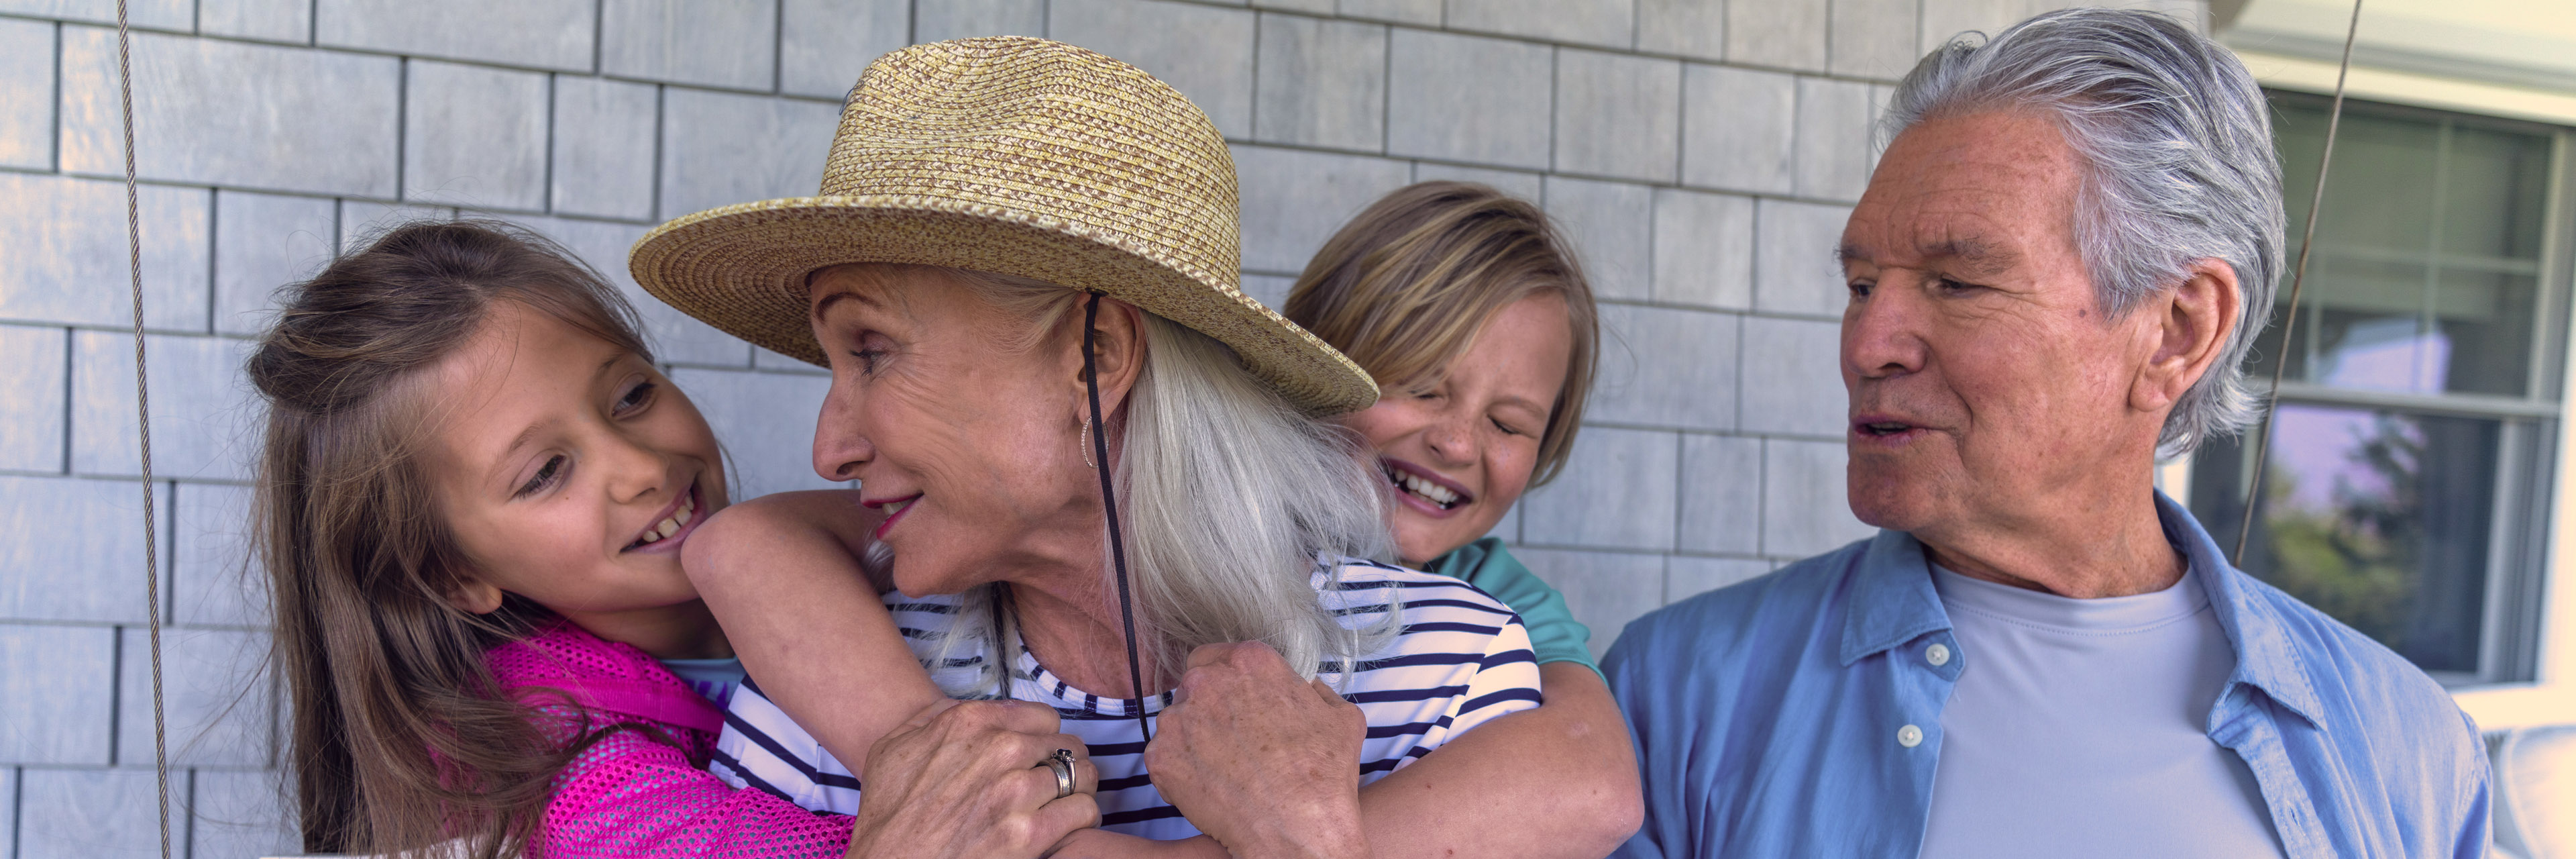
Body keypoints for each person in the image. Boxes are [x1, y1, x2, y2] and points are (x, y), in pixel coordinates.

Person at [635, 37, 1554, 858]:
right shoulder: (829, 687)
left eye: (871, 352)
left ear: (1097, 359)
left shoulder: (1449, 677)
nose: (828, 448)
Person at [1605, 9, 2488, 859]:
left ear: (2179, 330)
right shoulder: (1681, 694)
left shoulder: (2407, 746)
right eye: (1863, 284)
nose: (1869, 344)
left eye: (1956, 283)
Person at [249, 221, 1041, 858]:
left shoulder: (800, 559)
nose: (639, 466)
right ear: (452, 574)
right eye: (546, 472)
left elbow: (967, 529)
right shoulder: (531, 758)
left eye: (631, 394)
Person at [1276, 179, 1639, 842]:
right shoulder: (1206, 527)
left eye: (1506, 422)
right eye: (1422, 387)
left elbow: (1600, 786)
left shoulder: (1505, 600)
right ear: (1311, 362)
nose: (1457, 441)